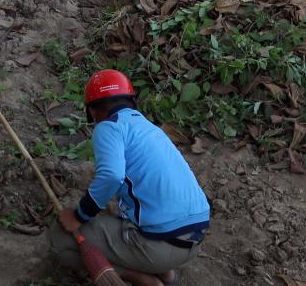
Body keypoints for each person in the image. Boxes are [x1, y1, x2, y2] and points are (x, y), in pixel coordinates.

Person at [51, 70, 211, 286]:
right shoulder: (149, 128)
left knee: (60, 239)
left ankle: (145, 280)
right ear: (131, 101)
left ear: (92, 110)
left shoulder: (109, 127)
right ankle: (167, 274)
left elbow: (111, 175)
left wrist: (79, 216)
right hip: (195, 239)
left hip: (159, 246)